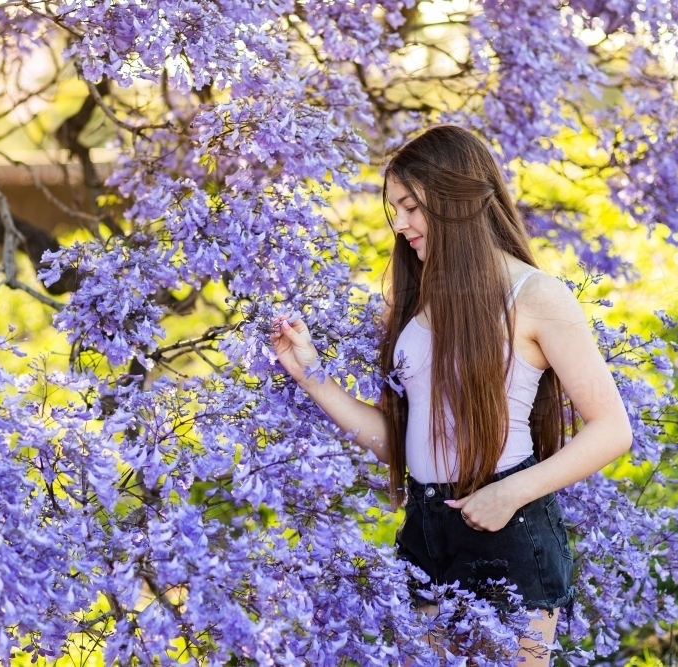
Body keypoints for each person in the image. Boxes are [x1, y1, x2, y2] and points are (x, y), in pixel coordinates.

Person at [269, 124, 633, 665]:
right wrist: (311, 376)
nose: (404, 226)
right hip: (426, 526)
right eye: (396, 210)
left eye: (413, 207)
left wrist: (510, 494)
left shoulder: (535, 296)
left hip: (507, 528)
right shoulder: (413, 303)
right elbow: (402, 443)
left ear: (456, 199)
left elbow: (612, 429)